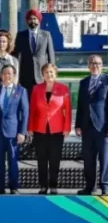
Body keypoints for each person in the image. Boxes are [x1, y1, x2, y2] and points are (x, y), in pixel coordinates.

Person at [28, 63, 71, 195]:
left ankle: (53, 185)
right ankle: (43, 186)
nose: (49, 74)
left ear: (55, 74)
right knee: (41, 158)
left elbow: (67, 110)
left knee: (54, 158)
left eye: (51, 72)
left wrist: (67, 128)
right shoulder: (36, 89)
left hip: (57, 130)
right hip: (40, 129)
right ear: (43, 75)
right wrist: (30, 128)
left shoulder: (63, 89)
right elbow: (32, 110)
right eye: (46, 72)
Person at [0, 65, 29, 194]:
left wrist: (22, 132)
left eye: (10, 74)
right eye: (5, 73)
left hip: (13, 132)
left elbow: (25, 113)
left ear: (14, 76)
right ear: (1, 76)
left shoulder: (21, 91)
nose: (7, 76)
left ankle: (14, 187)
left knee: (13, 161)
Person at [75, 55, 108, 196]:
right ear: (88, 66)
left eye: (98, 63)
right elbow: (80, 105)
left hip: (103, 127)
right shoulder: (83, 82)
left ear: (102, 65)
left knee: (105, 159)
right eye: (92, 63)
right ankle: (90, 186)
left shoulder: (107, 81)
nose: (95, 66)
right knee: (88, 159)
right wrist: (77, 125)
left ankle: (105, 186)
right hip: (86, 127)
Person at [13, 8, 55, 95]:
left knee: (41, 101)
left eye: (35, 19)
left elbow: (51, 56)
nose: (33, 21)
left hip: (42, 75)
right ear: (27, 21)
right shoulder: (21, 35)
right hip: (25, 75)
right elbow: (16, 55)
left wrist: (52, 73)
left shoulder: (46, 35)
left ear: (39, 20)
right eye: (30, 19)